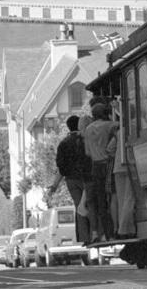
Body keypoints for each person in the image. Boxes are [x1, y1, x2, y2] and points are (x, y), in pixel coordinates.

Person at [48, 115, 92, 244]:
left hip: (71, 180)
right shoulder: (84, 140)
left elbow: (60, 167)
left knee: (78, 205)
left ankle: (84, 237)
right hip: (85, 176)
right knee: (90, 203)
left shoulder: (63, 144)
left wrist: (54, 186)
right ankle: (94, 231)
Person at [83, 103, 118, 242]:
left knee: (101, 200)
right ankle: (115, 228)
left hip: (95, 167)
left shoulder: (87, 129)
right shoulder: (109, 125)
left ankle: (105, 233)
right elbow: (122, 125)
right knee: (113, 196)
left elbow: (87, 152)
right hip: (108, 164)